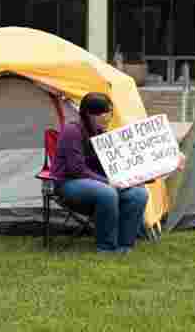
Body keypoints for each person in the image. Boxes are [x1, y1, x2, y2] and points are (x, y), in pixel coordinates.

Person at [49, 92, 183, 254]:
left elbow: (125, 162)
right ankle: (106, 247)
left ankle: (125, 245)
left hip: (97, 182)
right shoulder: (73, 131)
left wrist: (163, 165)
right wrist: (108, 182)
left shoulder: (101, 134)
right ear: (90, 114)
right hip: (68, 183)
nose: (109, 117)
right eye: (106, 113)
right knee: (108, 192)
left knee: (138, 193)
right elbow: (76, 169)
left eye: (110, 112)